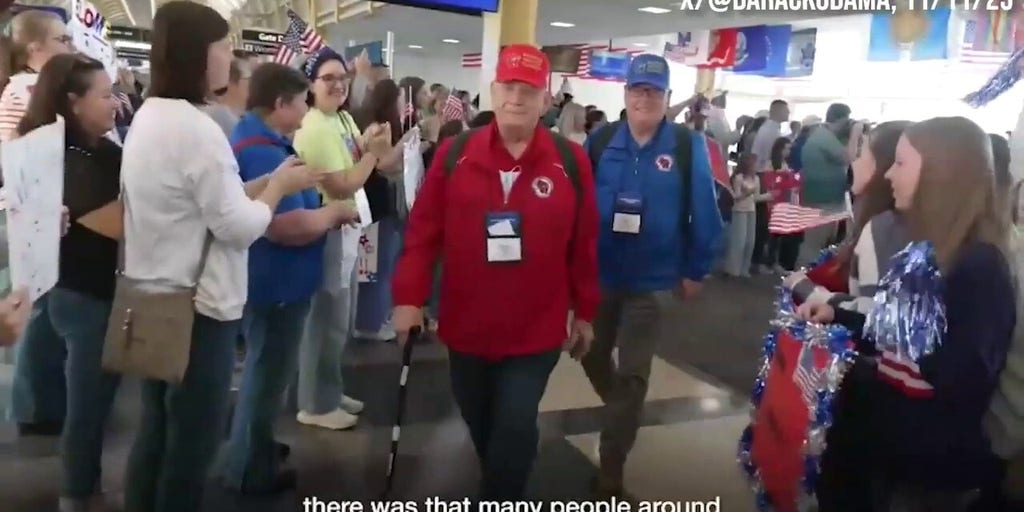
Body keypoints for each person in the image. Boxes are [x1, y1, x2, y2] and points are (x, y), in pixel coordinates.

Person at [119, 3, 321, 511]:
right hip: (200, 308)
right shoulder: (198, 127)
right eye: (224, 47)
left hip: (153, 295)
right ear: (199, 53)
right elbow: (237, 226)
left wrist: (260, 185)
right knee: (192, 443)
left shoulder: (150, 114)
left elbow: (204, 199)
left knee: (158, 428)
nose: (231, 60)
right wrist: (277, 188)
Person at [391, 44, 600, 501]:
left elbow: (583, 244)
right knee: (481, 420)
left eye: (529, 89)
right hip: (466, 325)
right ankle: (500, 480)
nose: (517, 98)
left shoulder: (570, 162)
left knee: (514, 422)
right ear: (493, 91)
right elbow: (423, 234)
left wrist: (585, 312)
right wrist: (409, 299)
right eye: (509, 86)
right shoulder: (455, 154)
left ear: (546, 100)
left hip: (536, 330)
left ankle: (503, 493)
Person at [800, 117, 1014, 512]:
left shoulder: (978, 265)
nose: (888, 174)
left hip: (926, 468)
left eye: (901, 163)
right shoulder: (926, 251)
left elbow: (962, 377)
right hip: (890, 450)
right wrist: (838, 312)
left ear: (939, 174)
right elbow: (894, 330)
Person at [582, 54, 723, 499]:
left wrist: (696, 267)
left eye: (654, 92)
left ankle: (612, 461)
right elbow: (577, 206)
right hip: (601, 273)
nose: (645, 98)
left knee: (634, 374)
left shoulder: (685, 145)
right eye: (637, 91)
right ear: (625, 95)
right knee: (590, 352)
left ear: (665, 99)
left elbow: (705, 208)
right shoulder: (600, 141)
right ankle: (622, 411)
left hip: (653, 279)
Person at [15, 53, 122, 512]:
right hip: (81, 293)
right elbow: (117, 223)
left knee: (95, 399)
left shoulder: (101, 149)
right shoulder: (66, 160)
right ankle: (78, 492)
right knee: (88, 404)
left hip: (98, 288)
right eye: (104, 95)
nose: (115, 103)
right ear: (74, 103)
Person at [786, 120, 911, 512]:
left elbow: (875, 317)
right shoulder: (898, 226)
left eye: (864, 153)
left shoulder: (882, 229)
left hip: (868, 389)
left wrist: (812, 294)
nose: (854, 162)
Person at [292, 48, 390, 430]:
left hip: (348, 227)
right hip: (329, 229)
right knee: (324, 320)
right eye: (327, 78)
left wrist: (368, 143)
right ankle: (315, 404)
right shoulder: (315, 125)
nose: (337, 84)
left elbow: (354, 158)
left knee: (340, 320)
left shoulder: (343, 118)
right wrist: (374, 156)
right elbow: (343, 181)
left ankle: (330, 390)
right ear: (312, 86)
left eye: (341, 77)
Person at [3, 8, 75, 438]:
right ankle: (33, 406)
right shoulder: (27, 91)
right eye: (62, 39)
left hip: (34, 207)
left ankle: (38, 402)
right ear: (36, 48)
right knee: (35, 303)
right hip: (28, 208)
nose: (70, 45)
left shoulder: (22, 89)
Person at [798, 103, 853, 265]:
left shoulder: (825, 136)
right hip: (821, 201)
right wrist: (855, 134)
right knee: (814, 243)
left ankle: (807, 276)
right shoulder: (824, 137)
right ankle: (802, 279)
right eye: (846, 121)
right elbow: (848, 158)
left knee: (819, 243)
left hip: (825, 199)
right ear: (841, 119)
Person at [724, 153, 770, 278]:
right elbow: (735, 196)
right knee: (739, 241)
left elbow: (756, 197)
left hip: (751, 210)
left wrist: (769, 196)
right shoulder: (738, 178)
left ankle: (745, 268)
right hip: (739, 210)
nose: (757, 166)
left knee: (750, 241)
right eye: (755, 163)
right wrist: (746, 194)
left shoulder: (756, 179)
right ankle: (733, 268)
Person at [203, 50, 251, 137]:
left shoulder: (238, 118)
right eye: (248, 79)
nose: (252, 84)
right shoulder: (219, 118)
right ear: (230, 82)